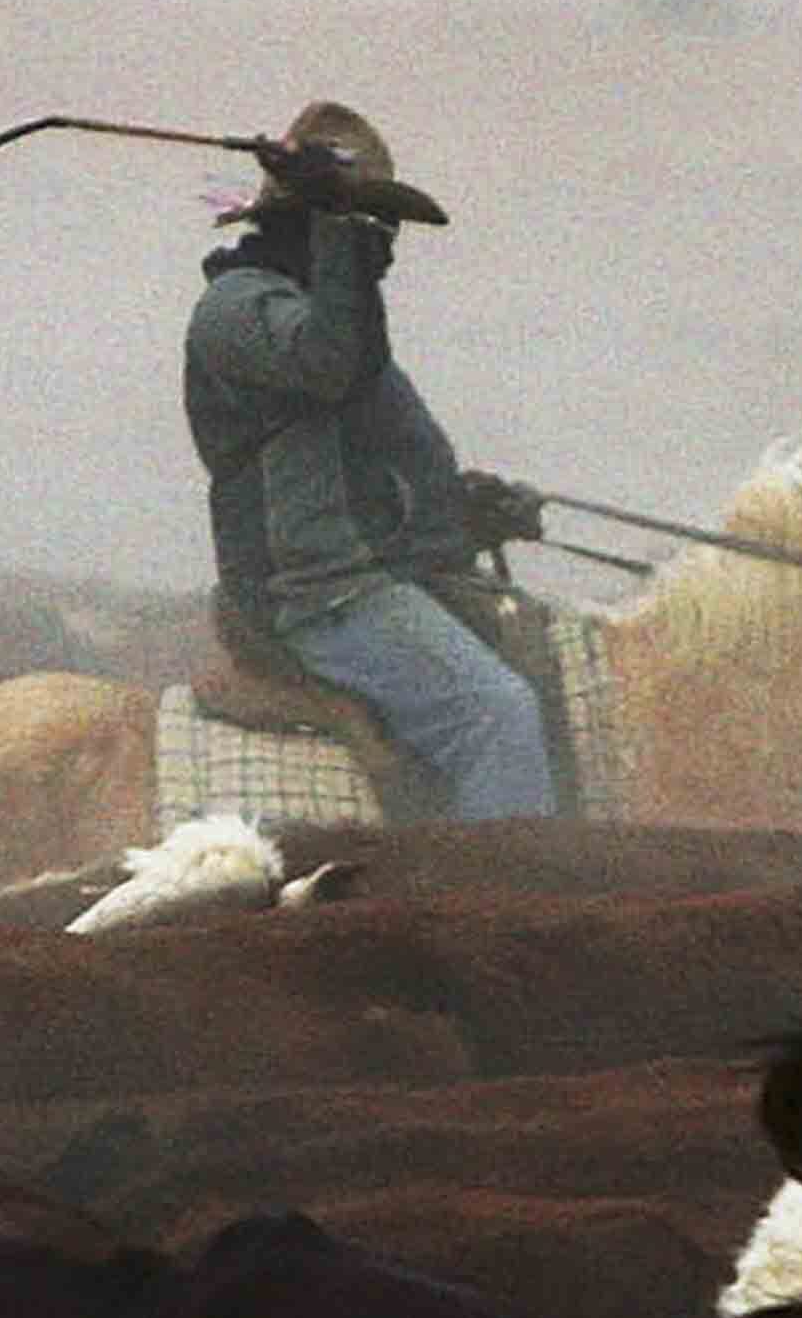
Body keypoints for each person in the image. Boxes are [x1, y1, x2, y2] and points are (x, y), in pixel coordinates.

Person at [185, 101, 556, 820]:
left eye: (378, 225)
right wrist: (337, 226)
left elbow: (374, 459)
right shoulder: (239, 312)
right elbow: (331, 365)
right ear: (312, 222)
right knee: (495, 713)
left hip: (367, 574)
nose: (383, 243)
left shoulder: (320, 313)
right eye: (369, 223)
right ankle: (499, 909)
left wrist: (462, 508)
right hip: (320, 594)